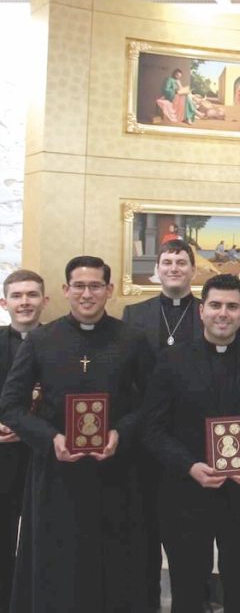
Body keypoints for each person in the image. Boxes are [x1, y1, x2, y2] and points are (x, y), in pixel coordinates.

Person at [0, 256, 154, 612]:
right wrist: (49, 437)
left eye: (95, 286)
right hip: (57, 475)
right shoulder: (40, 340)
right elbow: (11, 405)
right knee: (59, 562)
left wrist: (120, 433)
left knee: (115, 562)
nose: (87, 294)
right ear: (66, 290)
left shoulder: (133, 340)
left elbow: (151, 405)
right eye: (79, 286)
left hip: (116, 473)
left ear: (109, 290)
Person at [143, 274, 240, 613]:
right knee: (188, 588)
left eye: (232, 306)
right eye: (216, 305)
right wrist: (189, 466)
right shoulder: (172, 361)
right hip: (186, 493)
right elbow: (152, 428)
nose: (224, 313)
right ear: (201, 310)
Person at [122, 238, 205, 610]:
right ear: (157, 269)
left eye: (182, 262)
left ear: (193, 269)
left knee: (189, 541)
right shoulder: (134, 314)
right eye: (167, 262)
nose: (174, 268)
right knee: (143, 539)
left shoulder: (209, 311)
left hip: (190, 444)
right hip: (142, 443)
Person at [0, 270, 47, 613]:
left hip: (42, 455)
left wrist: (31, 427)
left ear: (45, 301)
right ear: (5, 303)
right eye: (17, 295)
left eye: (32, 295)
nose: (25, 302)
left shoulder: (62, 341)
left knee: (43, 536)